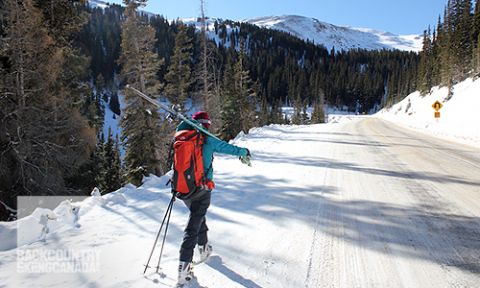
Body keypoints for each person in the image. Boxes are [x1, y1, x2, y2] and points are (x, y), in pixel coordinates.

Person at [176, 111, 250, 285]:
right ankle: (183, 267)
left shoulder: (182, 136)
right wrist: (244, 151)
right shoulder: (208, 140)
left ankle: (204, 249)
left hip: (183, 189)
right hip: (201, 189)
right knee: (192, 226)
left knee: (198, 217)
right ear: (206, 124)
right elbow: (227, 148)